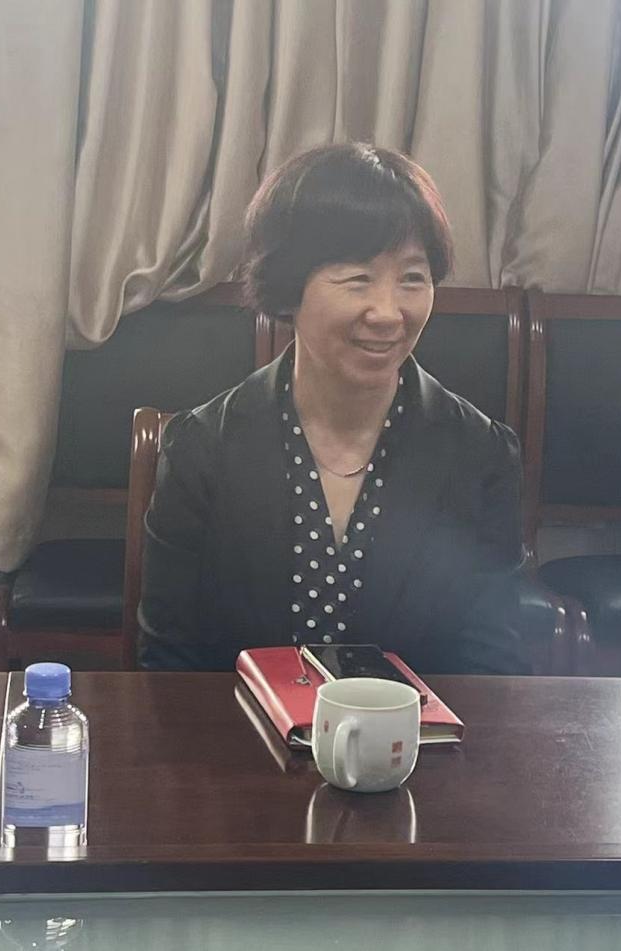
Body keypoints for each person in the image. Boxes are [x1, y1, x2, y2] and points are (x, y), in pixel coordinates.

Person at [137, 143, 529, 675]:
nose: (388, 312)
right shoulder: (203, 447)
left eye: (412, 278)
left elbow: (493, 669)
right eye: (357, 278)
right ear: (288, 288)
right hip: (234, 727)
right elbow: (169, 664)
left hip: (421, 730)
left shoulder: (480, 454)